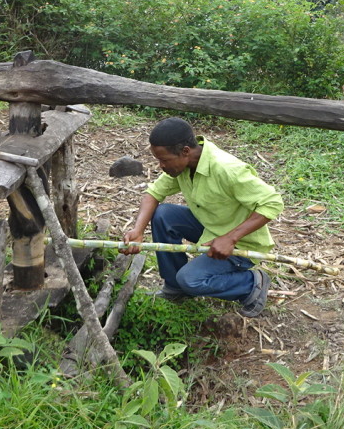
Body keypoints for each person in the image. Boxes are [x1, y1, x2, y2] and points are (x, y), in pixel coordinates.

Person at [121, 117, 284, 317]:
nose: (161, 166)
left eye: (164, 160)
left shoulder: (226, 169)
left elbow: (273, 202)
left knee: (191, 280)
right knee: (164, 214)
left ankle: (251, 284)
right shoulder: (184, 165)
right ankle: (174, 288)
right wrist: (137, 231)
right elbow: (153, 194)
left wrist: (230, 238)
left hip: (240, 243)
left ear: (185, 151)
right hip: (211, 228)